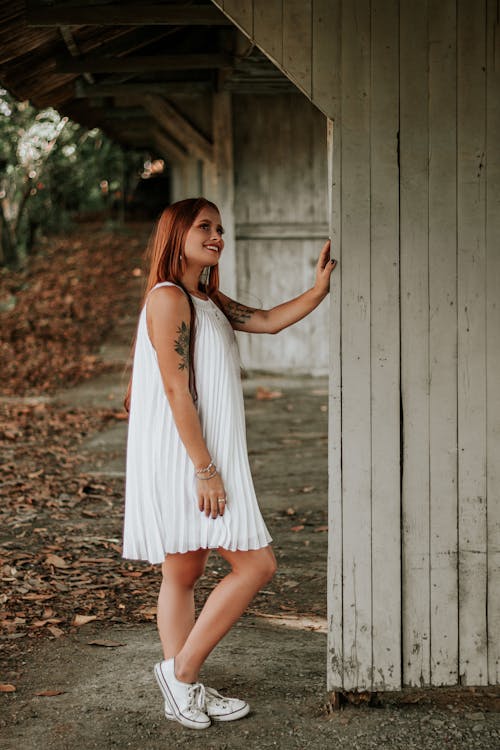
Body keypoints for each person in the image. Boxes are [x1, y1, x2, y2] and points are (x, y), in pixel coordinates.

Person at [122, 197, 337, 730]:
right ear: (177, 235)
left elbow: (264, 320)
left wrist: (318, 290)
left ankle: (183, 687)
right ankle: (182, 674)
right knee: (257, 564)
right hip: (188, 458)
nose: (217, 235)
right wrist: (205, 468)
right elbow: (175, 389)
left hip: (197, 456)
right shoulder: (170, 298)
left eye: (220, 228)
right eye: (204, 227)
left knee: (184, 569)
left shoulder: (206, 298)